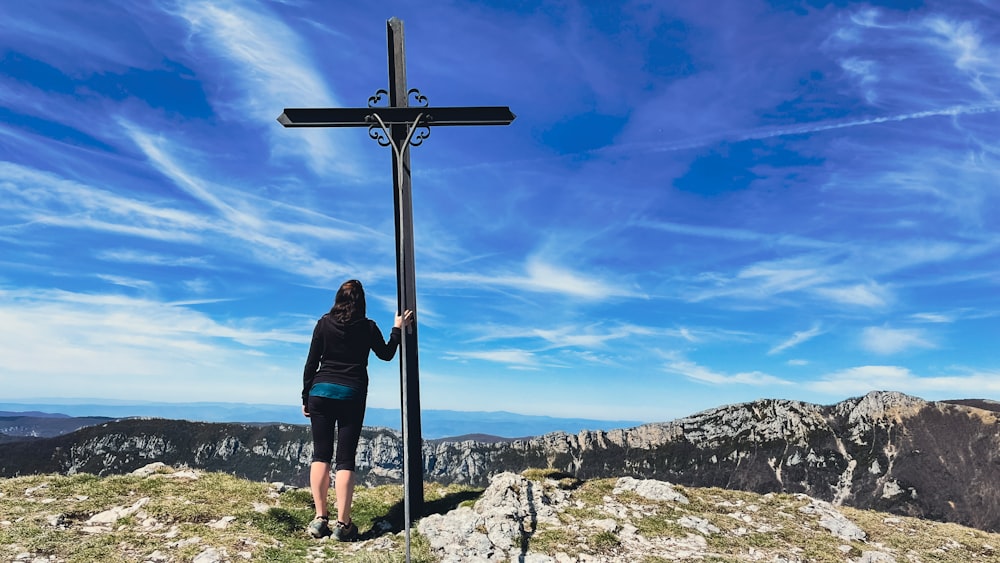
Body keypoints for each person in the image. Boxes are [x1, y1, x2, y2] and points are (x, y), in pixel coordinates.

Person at [301, 279, 413, 540]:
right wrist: (397, 329)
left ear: (338, 298)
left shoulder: (323, 323)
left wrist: (306, 396)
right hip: (351, 394)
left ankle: (320, 519)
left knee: (321, 456)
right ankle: (343, 524)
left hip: (320, 391)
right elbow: (386, 354)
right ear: (362, 301)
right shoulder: (368, 327)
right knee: (345, 459)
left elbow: (310, 363)